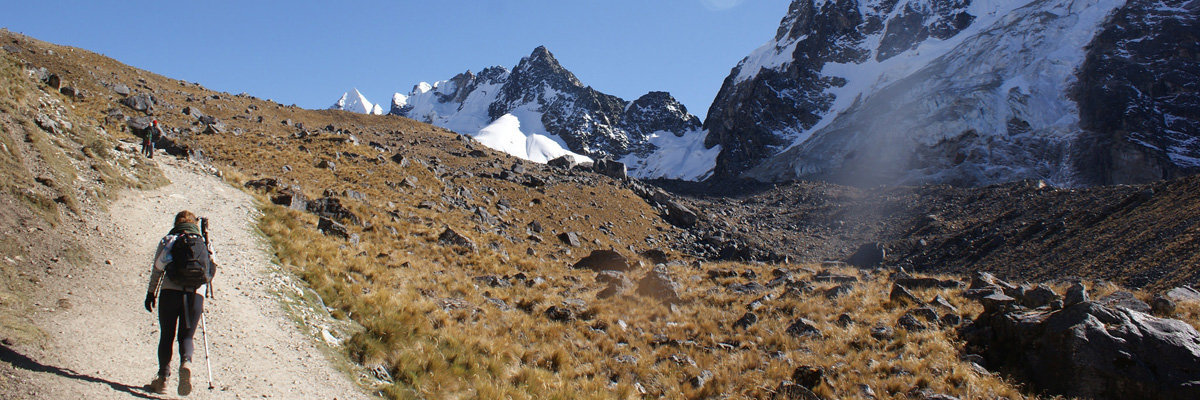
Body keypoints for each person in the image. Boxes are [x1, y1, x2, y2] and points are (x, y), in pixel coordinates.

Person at [144, 210, 214, 395]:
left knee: (167, 335)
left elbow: (157, 269)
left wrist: (151, 292)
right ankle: (186, 363)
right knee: (187, 337)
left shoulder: (169, 240)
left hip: (169, 292)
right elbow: (212, 268)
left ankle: (163, 380)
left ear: (177, 223)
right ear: (194, 223)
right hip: (195, 294)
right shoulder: (204, 243)